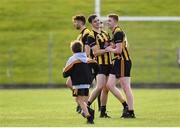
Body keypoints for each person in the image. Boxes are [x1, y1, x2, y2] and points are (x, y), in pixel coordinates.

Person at [105, 14, 135, 118]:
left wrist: (110, 49)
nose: (107, 22)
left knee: (126, 87)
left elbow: (118, 50)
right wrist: (109, 45)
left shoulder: (118, 32)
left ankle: (130, 111)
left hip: (123, 61)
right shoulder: (115, 32)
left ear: (115, 22)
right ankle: (126, 106)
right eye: (107, 20)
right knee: (109, 85)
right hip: (118, 61)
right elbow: (116, 46)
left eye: (109, 21)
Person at [63, 40, 98, 124]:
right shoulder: (87, 59)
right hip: (87, 84)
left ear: (72, 50)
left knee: (79, 100)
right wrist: (92, 75)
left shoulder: (72, 59)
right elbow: (97, 67)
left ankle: (89, 117)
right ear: (81, 48)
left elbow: (65, 73)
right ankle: (88, 111)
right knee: (81, 99)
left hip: (77, 84)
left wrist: (64, 70)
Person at [87, 14, 114, 118]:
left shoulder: (105, 33)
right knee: (99, 87)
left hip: (109, 64)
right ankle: (86, 105)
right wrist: (107, 49)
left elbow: (110, 45)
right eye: (95, 21)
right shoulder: (91, 36)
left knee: (106, 88)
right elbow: (96, 53)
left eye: (98, 20)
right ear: (92, 24)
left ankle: (103, 112)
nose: (98, 22)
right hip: (100, 64)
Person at [66, 15, 93, 113]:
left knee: (84, 87)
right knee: (70, 83)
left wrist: (80, 62)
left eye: (75, 22)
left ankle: (83, 106)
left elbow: (87, 52)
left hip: (84, 64)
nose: (74, 24)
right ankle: (81, 104)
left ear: (81, 22)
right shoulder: (81, 34)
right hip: (81, 63)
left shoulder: (86, 33)